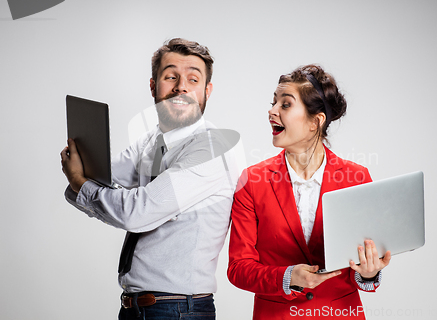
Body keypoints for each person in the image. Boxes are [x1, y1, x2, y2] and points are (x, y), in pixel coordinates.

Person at [61, 38, 240, 320]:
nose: (181, 86)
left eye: (193, 79)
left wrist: (81, 184)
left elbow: (135, 212)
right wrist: (81, 181)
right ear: (153, 86)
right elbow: (100, 176)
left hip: (178, 309)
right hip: (139, 308)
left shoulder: (211, 148)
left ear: (207, 91)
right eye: (171, 77)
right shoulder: (153, 140)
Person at [227, 64, 391, 319]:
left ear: (316, 121)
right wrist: (287, 277)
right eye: (273, 102)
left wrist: (368, 272)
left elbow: (361, 263)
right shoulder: (252, 181)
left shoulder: (356, 178)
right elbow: (238, 268)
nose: (271, 111)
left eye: (285, 104)